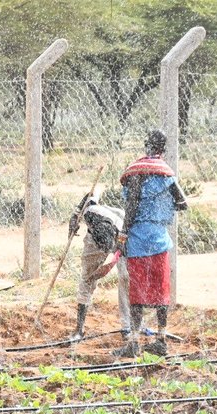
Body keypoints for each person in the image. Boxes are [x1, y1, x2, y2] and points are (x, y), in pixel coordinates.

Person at [113, 129, 189, 358]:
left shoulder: (136, 172)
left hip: (137, 240)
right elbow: (183, 203)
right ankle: (161, 339)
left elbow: (132, 206)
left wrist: (123, 236)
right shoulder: (167, 175)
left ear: (146, 145)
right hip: (159, 240)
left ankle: (134, 341)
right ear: (163, 150)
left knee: (137, 291)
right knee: (160, 289)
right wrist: (161, 209)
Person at [69, 191, 129, 339]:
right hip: (94, 242)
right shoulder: (90, 213)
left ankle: (128, 326)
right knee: (87, 279)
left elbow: (120, 249)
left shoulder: (124, 225)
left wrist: (112, 258)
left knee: (126, 277)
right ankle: (79, 329)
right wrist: (74, 216)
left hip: (121, 240)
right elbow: (91, 194)